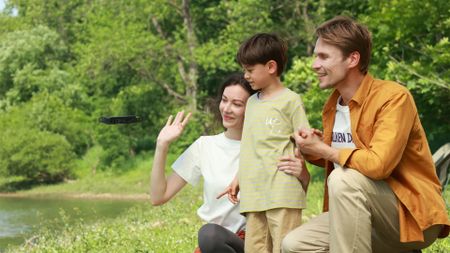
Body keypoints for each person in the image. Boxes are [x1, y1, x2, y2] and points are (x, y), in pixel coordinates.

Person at [283, 16, 450, 253]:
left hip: (410, 218)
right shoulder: (333, 105)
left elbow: (379, 165)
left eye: (323, 56)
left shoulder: (394, 98)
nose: (314, 64)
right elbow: (341, 155)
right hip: (360, 212)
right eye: (315, 55)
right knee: (295, 245)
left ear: (352, 59)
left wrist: (325, 150)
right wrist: (312, 147)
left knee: (343, 179)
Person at [151, 73, 305, 253]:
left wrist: (301, 173)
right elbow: (158, 196)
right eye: (224, 100)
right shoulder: (205, 146)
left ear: (254, 108)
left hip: (259, 242)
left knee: (211, 236)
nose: (227, 108)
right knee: (209, 235)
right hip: (218, 243)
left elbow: (294, 195)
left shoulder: (270, 145)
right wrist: (162, 145)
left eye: (237, 104)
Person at [226, 33, 311, 253]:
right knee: (254, 248)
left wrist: (303, 162)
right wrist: (238, 178)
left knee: (284, 246)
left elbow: (305, 140)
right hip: (254, 195)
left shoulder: (290, 100)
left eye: (250, 70)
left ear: (271, 67)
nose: (246, 76)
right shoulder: (252, 103)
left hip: (282, 192)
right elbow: (250, 145)